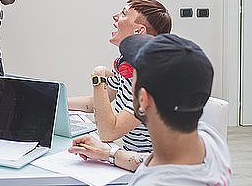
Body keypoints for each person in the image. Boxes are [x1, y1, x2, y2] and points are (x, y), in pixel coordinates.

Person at [68, 34, 232, 185]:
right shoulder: (210, 139)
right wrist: (107, 153)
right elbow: (149, 159)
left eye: (134, 77)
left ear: (143, 99)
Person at [68, 0, 171, 153]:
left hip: (149, 170)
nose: (115, 16)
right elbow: (101, 102)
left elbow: (108, 132)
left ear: (138, 31)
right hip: (129, 161)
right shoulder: (128, 66)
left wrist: (98, 76)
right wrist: (55, 101)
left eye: (123, 13)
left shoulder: (152, 80)